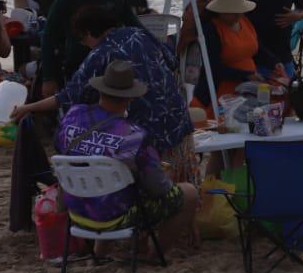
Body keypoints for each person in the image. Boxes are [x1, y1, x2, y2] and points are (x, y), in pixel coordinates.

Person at [13, 6, 197, 184]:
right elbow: (171, 60)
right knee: (180, 184)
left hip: (147, 134)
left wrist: (29, 107)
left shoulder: (100, 54)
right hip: (178, 119)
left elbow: (66, 97)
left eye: (83, 40)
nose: (85, 46)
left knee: (153, 186)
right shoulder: (139, 33)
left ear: (88, 33)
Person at [41, 60, 198, 248]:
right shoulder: (134, 136)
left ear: (100, 91)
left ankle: (100, 253)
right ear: (130, 99)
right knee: (188, 193)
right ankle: (156, 252)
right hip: (116, 217)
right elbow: (159, 188)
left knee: (109, 180)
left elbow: (61, 149)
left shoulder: (73, 116)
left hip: (77, 211)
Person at [38, 0, 141, 96]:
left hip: (114, 65)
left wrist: (156, 44)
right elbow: (48, 36)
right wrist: (48, 78)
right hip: (79, 65)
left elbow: (132, 21)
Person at [187, 0, 261, 111]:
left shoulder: (244, 20)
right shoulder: (210, 29)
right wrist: (245, 75)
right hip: (220, 92)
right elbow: (213, 67)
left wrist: (275, 61)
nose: (238, 15)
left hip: (247, 88)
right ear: (220, 10)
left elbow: (254, 46)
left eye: (240, 11)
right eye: (233, 12)